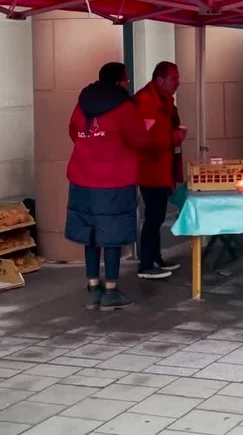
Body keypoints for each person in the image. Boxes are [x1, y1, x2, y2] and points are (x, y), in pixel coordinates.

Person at [66, 62, 149, 310]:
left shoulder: (82, 104)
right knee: (112, 235)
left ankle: (93, 285)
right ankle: (111, 289)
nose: (128, 83)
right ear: (118, 82)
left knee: (90, 233)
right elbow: (139, 139)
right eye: (126, 79)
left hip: (81, 179)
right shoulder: (124, 107)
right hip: (114, 180)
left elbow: (73, 132)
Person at [132, 61, 185, 280]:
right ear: (160, 79)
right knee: (153, 216)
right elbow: (144, 138)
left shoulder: (163, 101)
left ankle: (156, 257)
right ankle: (146, 263)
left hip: (162, 165)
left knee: (158, 214)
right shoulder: (146, 101)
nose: (177, 83)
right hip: (151, 168)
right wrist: (174, 138)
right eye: (173, 78)